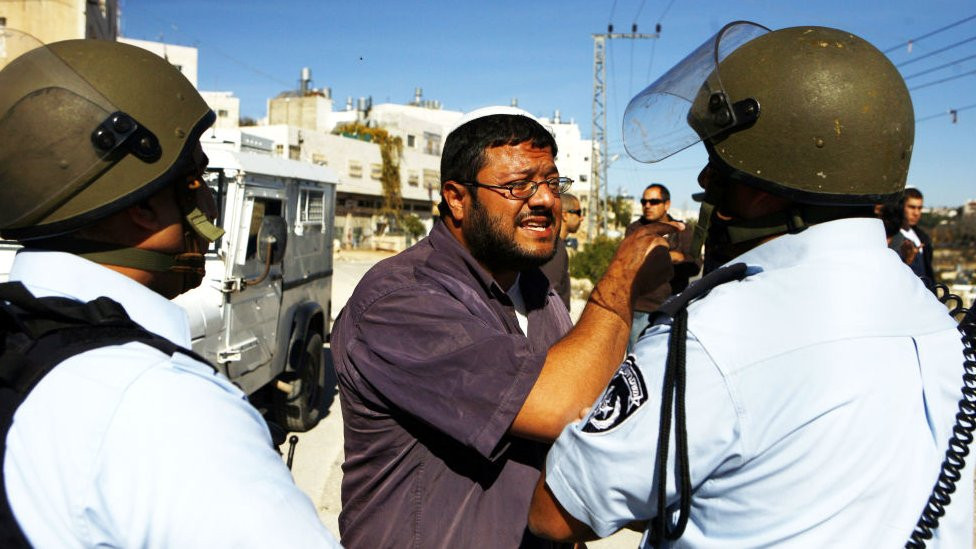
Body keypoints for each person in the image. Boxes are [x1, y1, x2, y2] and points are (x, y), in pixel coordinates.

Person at [529, 22, 970, 547]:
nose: (704, 181)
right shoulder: (938, 321)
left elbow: (557, 511)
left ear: (763, 190)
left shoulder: (709, 337)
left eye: (717, 163)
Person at [0, 34, 339, 547]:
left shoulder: (20, 334)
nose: (206, 201)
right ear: (142, 205)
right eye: (195, 178)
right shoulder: (165, 406)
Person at [331, 106, 674, 548]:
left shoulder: (536, 289)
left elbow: (585, 424)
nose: (545, 200)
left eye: (552, 183)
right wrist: (622, 280)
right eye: (518, 185)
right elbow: (567, 404)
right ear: (457, 198)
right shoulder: (400, 302)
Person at [625, 183, 701, 345]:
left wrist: (679, 257)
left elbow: (695, 265)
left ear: (667, 204)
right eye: (644, 201)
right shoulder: (635, 230)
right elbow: (630, 262)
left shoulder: (683, 230)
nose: (647, 206)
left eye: (654, 202)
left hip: (674, 307)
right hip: (641, 308)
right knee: (638, 355)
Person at [540, 193, 582, 309]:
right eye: (578, 213)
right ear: (565, 215)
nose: (582, 218)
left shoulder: (556, 244)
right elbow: (550, 296)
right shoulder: (555, 247)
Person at [901, 187, 935, 281]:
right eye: (911, 207)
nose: (916, 213)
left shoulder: (923, 237)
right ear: (901, 206)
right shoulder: (890, 237)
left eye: (919, 208)